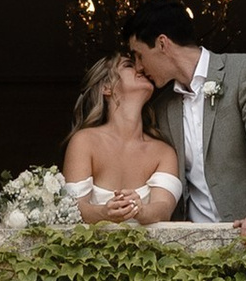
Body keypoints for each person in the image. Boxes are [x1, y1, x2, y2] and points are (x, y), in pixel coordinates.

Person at [125, 0, 246, 239]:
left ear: (162, 44)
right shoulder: (161, 108)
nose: (138, 67)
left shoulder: (243, 71)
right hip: (191, 245)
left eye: (139, 55)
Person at [59, 52, 185, 222]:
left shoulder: (164, 152)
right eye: (128, 65)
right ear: (106, 87)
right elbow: (72, 209)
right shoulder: (84, 142)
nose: (141, 69)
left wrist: (141, 211)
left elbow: (164, 208)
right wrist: (104, 214)